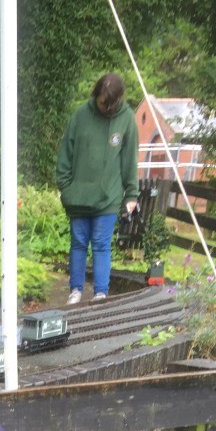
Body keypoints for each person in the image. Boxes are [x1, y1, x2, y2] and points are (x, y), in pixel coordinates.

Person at [56, 73, 139, 304]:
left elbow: (130, 160)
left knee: (101, 244)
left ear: (119, 99)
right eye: (103, 102)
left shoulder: (127, 119)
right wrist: (66, 187)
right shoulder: (80, 115)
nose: (107, 107)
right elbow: (66, 153)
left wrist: (131, 194)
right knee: (78, 244)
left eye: (111, 103)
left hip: (108, 197)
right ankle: (75, 291)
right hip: (79, 197)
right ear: (96, 95)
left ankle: (100, 294)